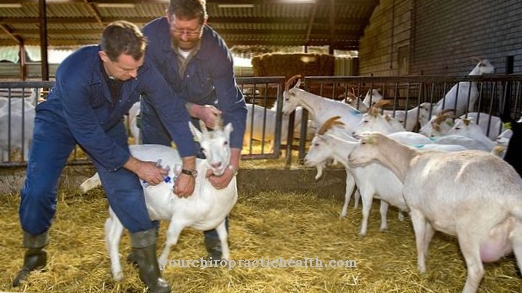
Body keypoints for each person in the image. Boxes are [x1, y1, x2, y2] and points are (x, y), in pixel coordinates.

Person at [12, 20, 199, 293]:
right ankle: (34, 257)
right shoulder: (74, 71)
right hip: (60, 122)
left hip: (107, 122)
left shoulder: (140, 68)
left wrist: (190, 166)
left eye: (138, 66)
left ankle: (149, 270)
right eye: (126, 68)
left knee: (127, 189)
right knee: (38, 188)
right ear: (104, 56)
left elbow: (171, 109)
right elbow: (88, 134)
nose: (136, 75)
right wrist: (137, 165)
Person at [140, 0, 247, 260]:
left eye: (192, 30)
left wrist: (232, 164)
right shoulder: (148, 40)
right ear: (168, 18)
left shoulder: (217, 49)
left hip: (205, 119)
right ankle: (145, 246)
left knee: (213, 170)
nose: (185, 37)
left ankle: (216, 248)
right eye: (178, 30)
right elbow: (154, 92)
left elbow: (234, 105)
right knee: (151, 173)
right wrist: (195, 109)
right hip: (158, 113)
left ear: (204, 23)